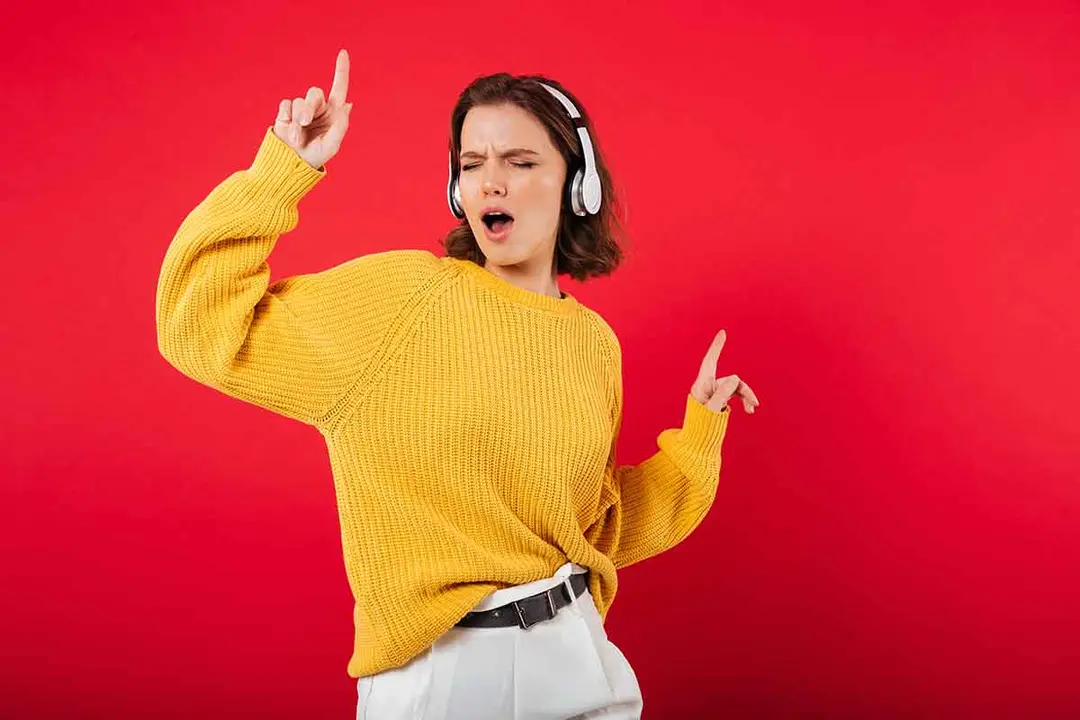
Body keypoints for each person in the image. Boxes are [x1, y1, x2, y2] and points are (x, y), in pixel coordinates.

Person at [155, 48, 760, 720]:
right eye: (472, 166)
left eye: (521, 163)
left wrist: (699, 434)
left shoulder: (592, 344)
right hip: (444, 675)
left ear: (576, 184)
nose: (490, 183)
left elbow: (596, 527)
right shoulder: (404, 300)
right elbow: (198, 322)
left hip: (580, 657)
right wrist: (284, 169)